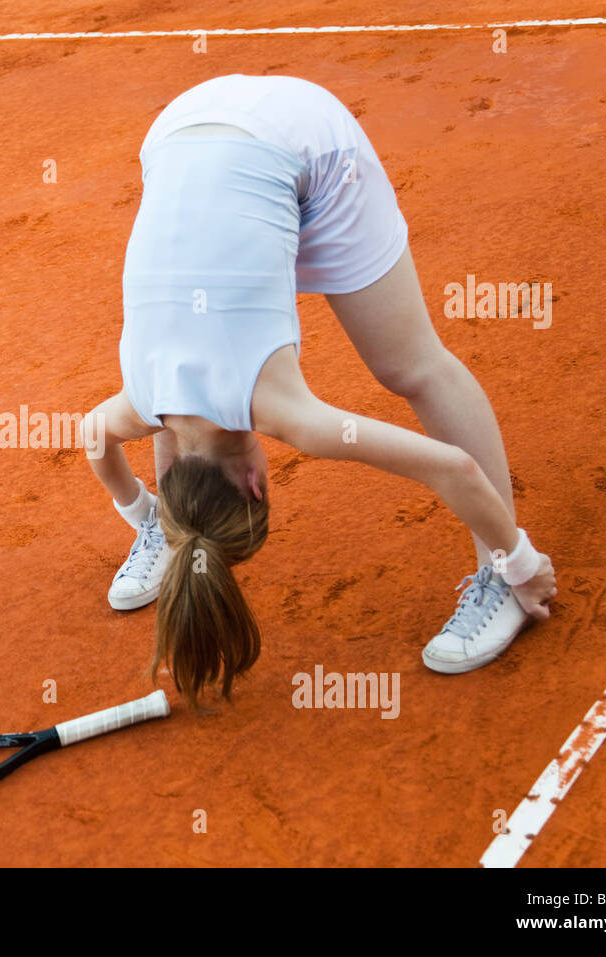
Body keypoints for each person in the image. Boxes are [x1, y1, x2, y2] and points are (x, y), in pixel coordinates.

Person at [84, 75, 557, 708]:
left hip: (308, 141)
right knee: (183, 392)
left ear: (255, 485)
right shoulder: (138, 404)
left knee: (411, 367)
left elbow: (456, 470)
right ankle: (164, 530)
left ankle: (499, 588)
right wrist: (143, 508)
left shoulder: (291, 417)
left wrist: (520, 563)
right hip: (180, 125)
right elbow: (94, 439)